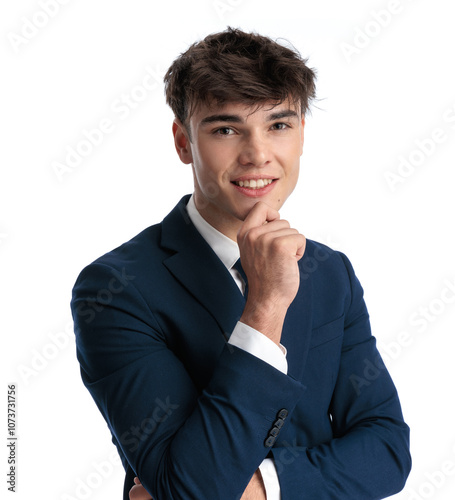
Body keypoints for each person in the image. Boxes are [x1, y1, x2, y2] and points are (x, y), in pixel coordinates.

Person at [71, 27, 411, 500]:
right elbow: (188, 487)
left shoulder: (332, 272)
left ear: (301, 135)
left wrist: (261, 488)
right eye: (226, 129)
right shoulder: (115, 288)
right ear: (183, 142)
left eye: (278, 125)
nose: (257, 155)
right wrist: (266, 304)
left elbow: (388, 451)